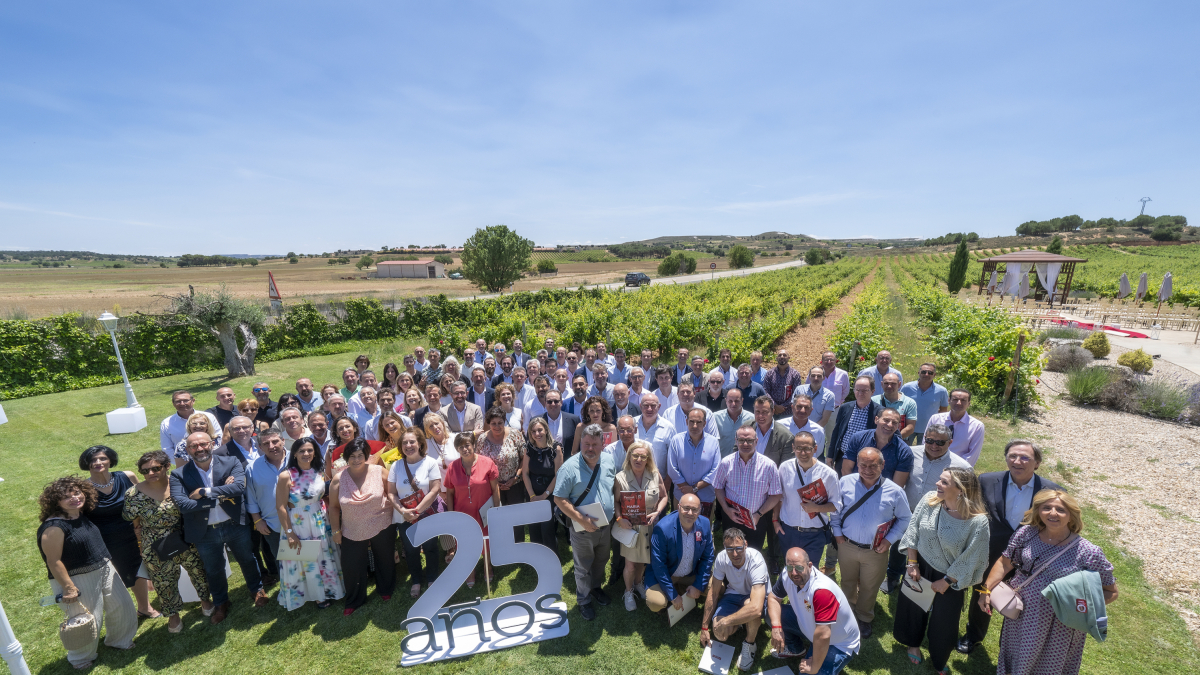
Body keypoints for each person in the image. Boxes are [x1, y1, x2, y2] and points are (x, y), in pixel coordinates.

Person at [981, 491, 1118, 675]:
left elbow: (1111, 592)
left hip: (1060, 624)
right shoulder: (1026, 534)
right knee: (1015, 658)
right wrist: (985, 591)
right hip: (1021, 614)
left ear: (1071, 515)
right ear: (1038, 511)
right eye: (1047, 507)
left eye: (1060, 509)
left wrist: (1076, 607)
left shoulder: (1088, 552)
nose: (1053, 513)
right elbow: (1005, 563)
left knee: (1048, 667)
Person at [959, 439, 1063, 654]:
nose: (1017, 461)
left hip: (1030, 558)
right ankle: (974, 636)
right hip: (991, 552)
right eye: (1012, 456)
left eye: (1025, 457)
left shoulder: (1052, 491)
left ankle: (1009, 646)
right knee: (982, 592)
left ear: (1037, 463)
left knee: (1020, 602)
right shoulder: (987, 480)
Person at [894, 468, 990, 674]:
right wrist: (912, 563)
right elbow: (913, 529)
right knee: (913, 609)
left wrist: (947, 580)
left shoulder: (978, 521)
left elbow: (972, 556)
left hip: (952, 576)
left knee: (945, 622)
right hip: (920, 565)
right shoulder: (930, 500)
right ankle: (913, 644)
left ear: (961, 490)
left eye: (944, 482)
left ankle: (939, 658)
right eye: (940, 479)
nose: (937, 484)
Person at [37, 476, 138, 668]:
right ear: (56, 502)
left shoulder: (79, 514)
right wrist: (68, 587)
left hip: (103, 566)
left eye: (77, 493)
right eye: (67, 496)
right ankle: (81, 657)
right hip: (76, 578)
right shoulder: (54, 527)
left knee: (122, 605)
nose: (74, 498)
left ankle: (119, 640)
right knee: (86, 618)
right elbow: (53, 561)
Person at [170, 431, 267, 623]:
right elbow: (183, 505)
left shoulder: (231, 462)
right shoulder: (178, 474)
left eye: (203, 444)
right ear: (188, 450)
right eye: (194, 446)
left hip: (234, 524)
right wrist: (221, 496)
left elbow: (238, 488)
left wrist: (203, 492)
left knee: (247, 559)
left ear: (212, 444)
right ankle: (221, 602)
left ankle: (257, 590)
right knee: (213, 569)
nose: (199, 448)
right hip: (205, 531)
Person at [122, 451, 212, 633]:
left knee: (198, 571)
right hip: (155, 544)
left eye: (156, 468)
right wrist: (140, 540)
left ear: (166, 466)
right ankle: (173, 616)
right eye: (145, 471)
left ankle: (206, 601)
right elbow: (133, 519)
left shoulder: (179, 483)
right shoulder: (133, 493)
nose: (150, 473)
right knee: (163, 581)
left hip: (185, 537)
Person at [830, 447, 911, 636]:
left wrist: (889, 540)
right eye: (863, 465)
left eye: (873, 465)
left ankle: (864, 617)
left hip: (876, 550)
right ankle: (848, 612)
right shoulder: (845, 482)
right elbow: (835, 510)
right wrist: (837, 533)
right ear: (857, 465)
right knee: (847, 581)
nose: (867, 470)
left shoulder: (895, 491)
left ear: (882, 465)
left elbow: (905, 518)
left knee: (870, 585)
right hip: (847, 545)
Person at [840, 407, 912, 594]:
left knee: (869, 581)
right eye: (886, 420)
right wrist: (854, 492)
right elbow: (846, 470)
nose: (889, 425)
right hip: (854, 496)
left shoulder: (903, 451)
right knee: (848, 574)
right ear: (876, 419)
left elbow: (897, 487)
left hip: (880, 503)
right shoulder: (858, 438)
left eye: (894, 422)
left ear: (899, 426)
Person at [78, 446, 155, 617]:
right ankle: (121, 615)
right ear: (86, 464)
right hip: (106, 540)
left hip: (134, 533)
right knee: (116, 576)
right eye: (93, 460)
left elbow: (142, 500)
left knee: (138, 570)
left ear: (110, 460)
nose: (98, 462)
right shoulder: (83, 488)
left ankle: (145, 608)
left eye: (102, 458)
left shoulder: (127, 476)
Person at [553, 424, 617, 621]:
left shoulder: (608, 460)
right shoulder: (569, 468)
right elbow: (559, 498)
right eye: (586, 444)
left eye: (594, 444)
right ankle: (583, 600)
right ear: (581, 442)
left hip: (605, 526)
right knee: (582, 566)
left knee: (601, 560)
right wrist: (582, 519)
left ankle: (595, 588)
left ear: (603, 444)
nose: (590, 448)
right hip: (581, 528)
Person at [275, 437, 345, 610]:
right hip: (299, 523)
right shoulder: (286, 475)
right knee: (307, 559)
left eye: (310, 450)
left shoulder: (319, 471)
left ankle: (330, 589)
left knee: (323, 556)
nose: (306, 454)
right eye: (302, 451)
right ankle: (317, 595)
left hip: (320, 519)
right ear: (294, 454)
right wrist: (290, 533)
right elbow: (281, 507)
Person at [766, 547, 860, 675]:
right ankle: (796, 649)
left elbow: (823, 635)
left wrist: (814, 667)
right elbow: (773, 598)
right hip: (811, 626)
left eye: (799, 568)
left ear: (809, 565)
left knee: (808, 673)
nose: (794, 573)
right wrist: (776, 627)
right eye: (789, 567)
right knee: (769, 613)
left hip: (837, 642)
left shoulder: (822, 591)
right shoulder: (786, 575)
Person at [700, 527, 771, 672]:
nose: (735, 554)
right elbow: (713, 593)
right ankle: (740, 622)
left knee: (751, 611)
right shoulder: (721, 558)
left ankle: (749, 644)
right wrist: (704, 627)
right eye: (730, 549)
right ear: (724, 547)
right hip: (732, 594)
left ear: (745, 544)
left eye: (739, 548)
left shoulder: (756, 559)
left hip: (752, 596)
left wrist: (727, 621)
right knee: (720, 634)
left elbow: (756, 608)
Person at [386, 430, 442, 599]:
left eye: (412, 442)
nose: (408, 446)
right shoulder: (396, 466)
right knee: (411, 549)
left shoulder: (430, 463)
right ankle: (416, 580)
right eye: (405, 443)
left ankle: (432, 578)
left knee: (431, 547)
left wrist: (417, 511)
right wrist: (403, 511)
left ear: (420, 444)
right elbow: (391, 493)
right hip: (404, 516)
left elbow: (435, 489)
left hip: (426, 513)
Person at [613, 440, 667, 610]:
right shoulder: (620, 478)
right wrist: (619, 519)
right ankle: (628, 591)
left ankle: (638, 583)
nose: (638, 459)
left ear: (648, 459)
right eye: (635, 455)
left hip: (650, 526)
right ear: (629, 457)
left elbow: (664, 496)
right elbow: (616, 502)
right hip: (630, 528)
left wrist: (657, 512)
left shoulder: (655, 475)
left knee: (643, 561)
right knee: (630, 564)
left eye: (643, 457)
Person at [775, 432, 842, 571]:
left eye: (807, 448)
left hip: (814, 534)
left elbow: (836, 506)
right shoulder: (784, 468)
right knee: (791, 570)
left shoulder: (829, 474)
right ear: (793, 448)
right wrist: (775, 521)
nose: (803, 452)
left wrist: (816, 508)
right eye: (799, 448)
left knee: (810, 572)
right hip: (789, 531)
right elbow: (778, 497)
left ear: (815, 448)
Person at [443, 432, 501, 588]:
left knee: (486, 540)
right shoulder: (452, 467)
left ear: (474, 445)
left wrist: (497, 511)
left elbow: (495, 489)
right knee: (465, 542)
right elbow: (449, 493)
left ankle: (487, 566)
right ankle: (470, 569)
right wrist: (451, 515)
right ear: (457, 449)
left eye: (467, 445)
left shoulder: (487, 463)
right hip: (462, 513)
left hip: (484, 511)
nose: (465, 449)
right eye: (461, 447)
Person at [714, 424, 783, 551]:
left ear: (756, 441)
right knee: (732, 551)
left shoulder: (768, 465)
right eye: (741, 440)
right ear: (736, 441)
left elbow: (776, 494)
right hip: (731, 516)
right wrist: (726, 509)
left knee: (753, 552)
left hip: (756, 518)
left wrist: (758, 514)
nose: (745, 444)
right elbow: (718, 487)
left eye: (749, 440)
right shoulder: (726, 463)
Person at [645, 493, 715, 613]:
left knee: (718, 587)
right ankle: (673, 591)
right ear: (678, 507)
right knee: (656, 603)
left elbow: (708, 558)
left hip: (690, 573)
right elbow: (659, 565)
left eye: (694, 509)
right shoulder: (662, 529)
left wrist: (698, 585)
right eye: (686, 508)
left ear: (700, 510)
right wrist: (672, 595)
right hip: (667, 574)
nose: (690, 513)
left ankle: (683, 588)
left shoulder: (705, 524)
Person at [477, 406, 527, 543]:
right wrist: (494, 483)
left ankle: (519, 544)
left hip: (515, 484)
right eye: (493, 423)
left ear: (505, 421)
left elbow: (525, 458)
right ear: (488, 423)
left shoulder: (515, 434)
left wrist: (516, 477)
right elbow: (479, 463)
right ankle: (501, 545)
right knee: (497, 518)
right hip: (492, 487)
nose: (497, 426)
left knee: (516, 518)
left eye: (500, 422)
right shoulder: (482, 439)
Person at [245, 430, 286, 588]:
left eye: (275, 441)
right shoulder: (253, 468)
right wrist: (257, 520)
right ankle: (290, 592)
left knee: (307, 557)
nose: (272, 446)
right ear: (260, 447)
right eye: (266, 443)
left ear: (282, 440)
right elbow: (251, 498)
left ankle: (313, 590)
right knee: (282, 561)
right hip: (272, 524)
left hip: (301, 519)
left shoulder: (298, 459)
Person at [667, 408, 722, 518]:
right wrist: (686, 488)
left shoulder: (713, 442)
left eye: (699, 422)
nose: (695, 426)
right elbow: (672, 469)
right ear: (686, 422)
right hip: (681, 496)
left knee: (703, 527)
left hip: (705, 497)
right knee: (680, 526)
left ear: (705, 423)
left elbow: (716, 470)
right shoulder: (676, 441)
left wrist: (694, 489)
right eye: (691, 421)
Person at [522, 418, 564, 551]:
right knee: (534, 529)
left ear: (546, 430)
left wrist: (544, 496)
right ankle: (537, 558)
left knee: (547, 530)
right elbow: (525, 473)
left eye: (540, 430)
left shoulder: (556, 449)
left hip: (550, 494)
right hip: (532, 493)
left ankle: (552, 558)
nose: (537, 434)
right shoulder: (529, 448)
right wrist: (532, 495)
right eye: (533, 431)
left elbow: (558, 475)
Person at [828, 377, 880, 473]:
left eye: (864, 390)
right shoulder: (845, 407)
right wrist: (830, 455)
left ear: (872, 392)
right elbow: (836, 432)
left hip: (866, 461)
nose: (860, 393)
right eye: (857, 390)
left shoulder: (879, 412)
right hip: (843, 456)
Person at [924, 389, 985, 467]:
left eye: (963, 400)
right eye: (955, 399)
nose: (959, 403)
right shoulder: (935, 419)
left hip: (958, 468)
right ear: (949, 401)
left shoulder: (977, 426)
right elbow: (926, 442)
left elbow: (972, 455)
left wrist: (954, 469)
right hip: (932, 463)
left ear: (969, 403)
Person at [899, 363, 949, 445]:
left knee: (923, 451)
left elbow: (943, 411)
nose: (926, 374)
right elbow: (900, 404)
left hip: (929, 429)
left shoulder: (942, 391)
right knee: (903, 449)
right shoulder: (907, 387)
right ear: (918, 373)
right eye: (923, 372)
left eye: (930, 373)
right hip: (908, 427)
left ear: (934, 375)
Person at [160, 390, 219, 458]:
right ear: (173, 403)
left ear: (193, 401)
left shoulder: (209, 417)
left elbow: (219, 439)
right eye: (178, 401)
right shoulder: (166, 423)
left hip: (212, 459)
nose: (182, 404)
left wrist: (208, 459)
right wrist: (181, 461)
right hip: (184, 462)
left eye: (186, 400)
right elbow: (167, 449)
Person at [871, 373, 917, 439]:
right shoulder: (873, 400)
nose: (889, 386)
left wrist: (893, 439)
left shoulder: (909, 403)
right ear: (882, 384)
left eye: (893, 384)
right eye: (886, 383)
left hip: (899, 441)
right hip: (876, 440)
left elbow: (910, 427)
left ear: (899, 384)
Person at [762, 349, 805, 419]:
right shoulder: (770, 373)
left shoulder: (795, 374)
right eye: (780, 355)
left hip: (788, 412)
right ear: (776, 358)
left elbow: (796, 393)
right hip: (772, 411)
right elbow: (765, 390)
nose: (782, 357)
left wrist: (783, 407)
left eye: (784, 355)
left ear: (788, 358)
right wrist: (774, 405)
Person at [752, 395, 795, 464]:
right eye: (757, 412)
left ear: (773, 412)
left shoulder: (786, 437)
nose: (760, 416)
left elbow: (786, 466)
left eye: (764, 412)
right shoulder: (747, 427)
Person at [712, 388, 754, 457]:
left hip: (743, 460)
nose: (733, 404)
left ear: (742, 401)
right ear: (726, 401)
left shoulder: (751, 419)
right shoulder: (715, 417)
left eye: (736, 401)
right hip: (721, 460)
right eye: (730, 401)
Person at [787, 396, 827, 460]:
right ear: (792, 408)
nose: (802, 410)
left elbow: (818, 452)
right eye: (799, 407)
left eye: (806, 408)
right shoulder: (780, 426)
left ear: (811, 410)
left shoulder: (818, 430)